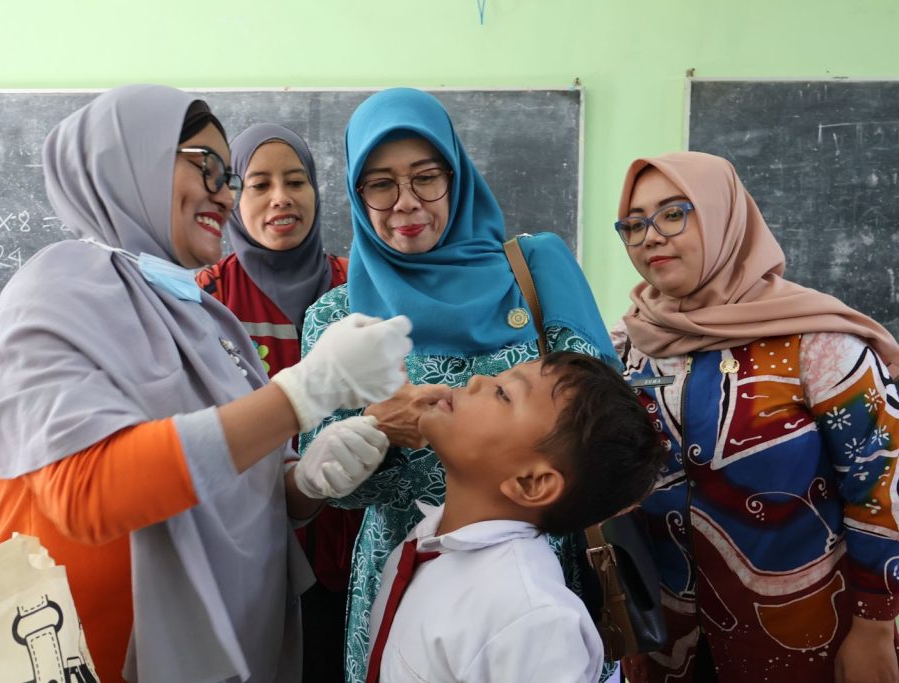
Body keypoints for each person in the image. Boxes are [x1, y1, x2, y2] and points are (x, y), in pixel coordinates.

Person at [0, 84, 414, 683]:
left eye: (227, 177)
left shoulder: (203, 315)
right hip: (94, 650)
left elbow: (246, 480)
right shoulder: (58, 290)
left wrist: (307, 481)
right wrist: (304, 393)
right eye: (206, 167)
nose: (224, 195)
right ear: (128, 162)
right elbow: (87, 493)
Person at [299, 87, 620, 683]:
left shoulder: (535, 271)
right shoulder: (338, 317)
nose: (406, 203)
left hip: (532, 563)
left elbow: (602, 429)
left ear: (457, 175)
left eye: (426, 177)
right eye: (379, 184)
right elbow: (331, 491)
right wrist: (376, 430)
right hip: (407, 564)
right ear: (355, 192)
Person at [611, 151, 899, 682]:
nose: (650, 237)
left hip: (811, 640)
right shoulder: (627, 349)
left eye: (673, 214)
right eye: (633, 224)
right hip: (668, 647)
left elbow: (881, 488)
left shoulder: (817, 342)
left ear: (723, 216)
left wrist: (875, 628)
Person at [365, 352, 665, 683]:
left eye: (503, 394)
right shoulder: (431, 539)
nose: (476, 380)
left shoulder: (533, 621)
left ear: (531, 483)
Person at [196, 123, 359, 683]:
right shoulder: (207, 297)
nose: (281, 198)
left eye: (296, 181)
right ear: (233, 198)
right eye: (259, 184)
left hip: (355, 545)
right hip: (250, 548)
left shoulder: (358, 286)